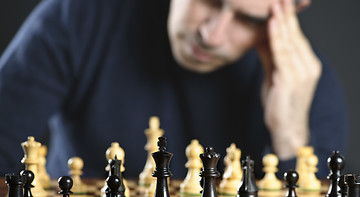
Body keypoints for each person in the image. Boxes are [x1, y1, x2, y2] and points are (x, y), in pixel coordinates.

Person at [0, 0, 347, 179]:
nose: (212, 35)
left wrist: (290, 135)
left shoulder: (304, 83)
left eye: (248, 19)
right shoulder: (78, 15)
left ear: (296, 6)